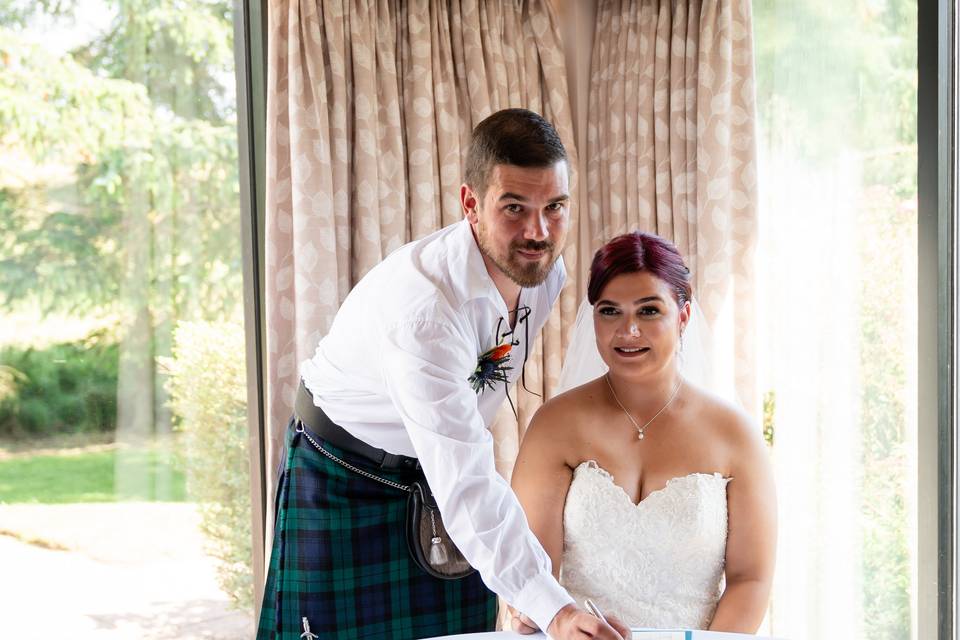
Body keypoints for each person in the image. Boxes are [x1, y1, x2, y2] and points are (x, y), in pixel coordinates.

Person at [257, 109, 629, 640]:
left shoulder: (544, 274)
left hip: (434, 477)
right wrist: (554, 608)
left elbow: (467, 429)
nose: (538, 231)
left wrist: (528, 590)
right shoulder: (425, 313)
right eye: (514, 208)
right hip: (343, 477)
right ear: (471, 204)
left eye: (555, 208)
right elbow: (468, 479)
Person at [510, 231, 777, 633]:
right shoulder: (555, 425)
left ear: (683, 316)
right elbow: (532, 570)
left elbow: (750, 580)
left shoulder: (734, 434)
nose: (628, 331)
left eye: (649, 311)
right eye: (610, 311)